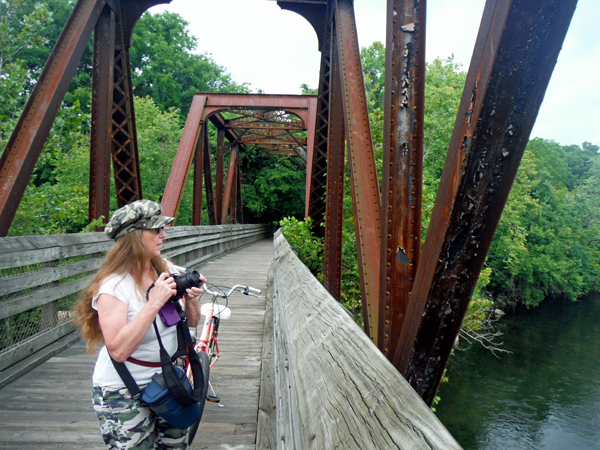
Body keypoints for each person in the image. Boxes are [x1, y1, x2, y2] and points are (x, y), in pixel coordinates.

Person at [73, 200, 205, 449]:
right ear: (134, 237)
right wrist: (154, 302)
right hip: (122, 390)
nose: (163, 235)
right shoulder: (113, 286)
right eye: (156, 230)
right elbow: (119, 351)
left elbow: (193, 323)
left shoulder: (163, 269)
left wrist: (192, 300)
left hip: (166, 381)